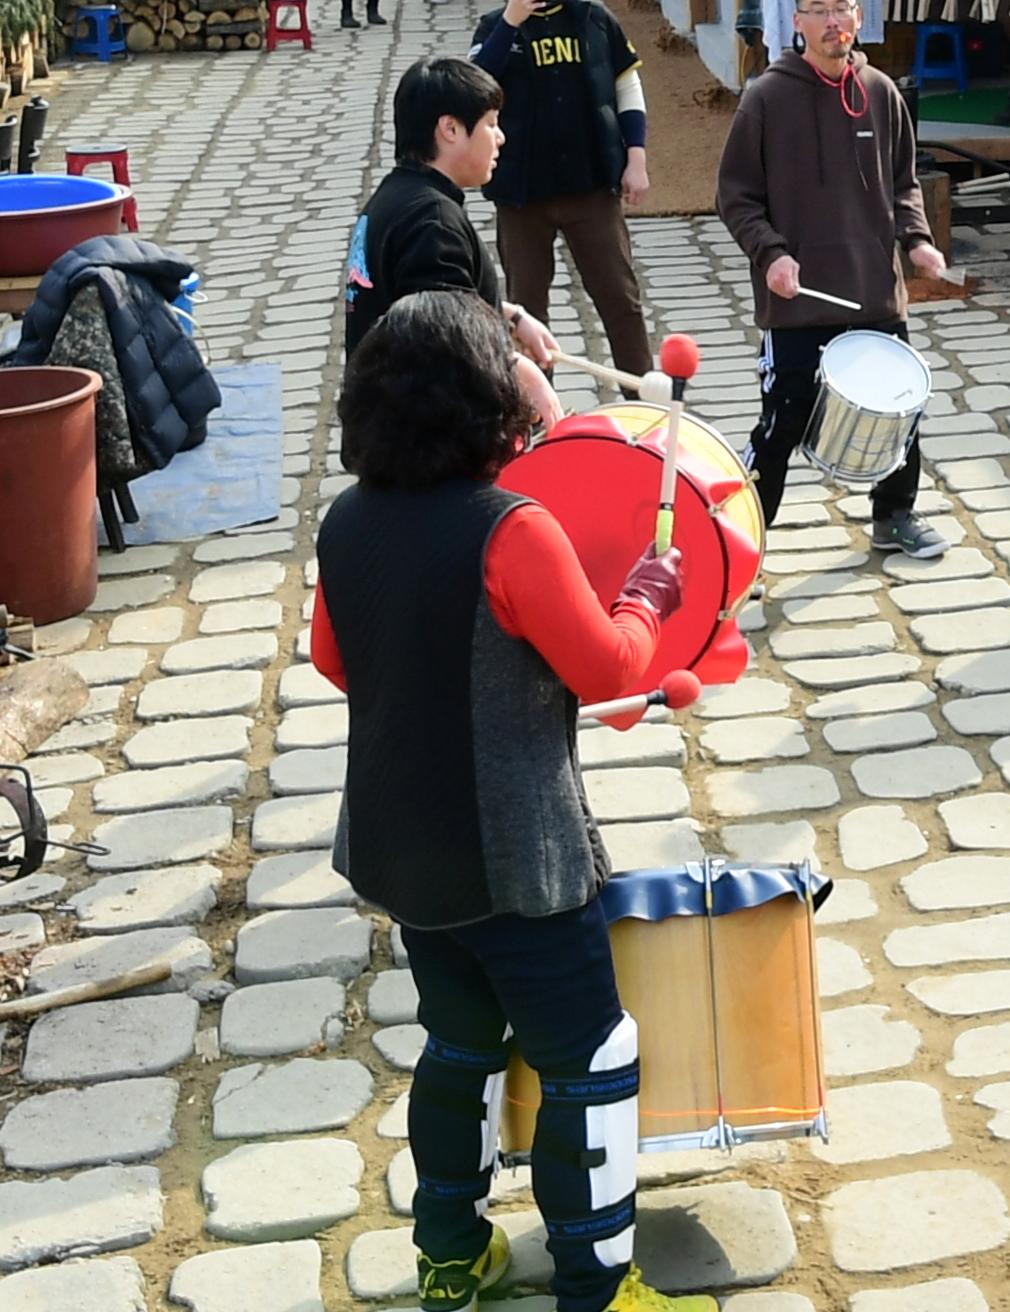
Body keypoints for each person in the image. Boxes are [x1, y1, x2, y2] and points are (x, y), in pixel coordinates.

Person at [309, 290, 714, 1312]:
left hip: (406, 851)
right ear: (490, 400)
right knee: (591, 1060)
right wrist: (649, 594)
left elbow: (332, 657)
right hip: (521, 859)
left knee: (458, 1044)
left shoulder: (344, 521)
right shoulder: (512, 530)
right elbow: (610, 664)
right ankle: (598, 1287)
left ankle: (452, 1255)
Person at [717, 0, 949, 560]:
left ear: (858, 17)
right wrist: (771, 255)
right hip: (799, 302)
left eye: (841, 8)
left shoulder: (881, 92)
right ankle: (741, 540)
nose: (831, 21)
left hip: (873, 293)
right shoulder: (766, 98)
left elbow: (904, 183)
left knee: (901, 414)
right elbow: (735, 196)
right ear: (796, 22)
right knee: (780, 427)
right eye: (817, 10)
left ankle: (894, 515)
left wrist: (917, 239)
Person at [472, 0, 653, 368]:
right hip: (522, 193)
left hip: (591, 185)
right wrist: (512, 23)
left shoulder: (593, 17)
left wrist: (636, 158)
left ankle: (642, 399)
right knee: (526, 311)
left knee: (620, 300)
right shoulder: (494, 27)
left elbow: (627, 86)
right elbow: (473, 87)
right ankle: (536, 415)